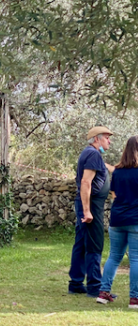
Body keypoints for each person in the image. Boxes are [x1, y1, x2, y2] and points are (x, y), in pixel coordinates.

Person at [68, 126, 115, 298]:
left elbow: (107, 168)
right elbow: (86, 183)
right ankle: (95, 286)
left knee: (81, 243)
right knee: (95, 243)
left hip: (86, 204)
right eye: (107, 138)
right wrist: (87, 211)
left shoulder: (90, 153)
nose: (109, 141)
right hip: (91, 205)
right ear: (97, 139)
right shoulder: (93, 154)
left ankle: (76, 283)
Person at [96, 136, 138, 308]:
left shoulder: (118, 172)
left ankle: (103, 293)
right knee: (136, 259)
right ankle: (134, 298)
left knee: (114, 256)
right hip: (135, 220)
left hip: (117, 220)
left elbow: (114, 195)